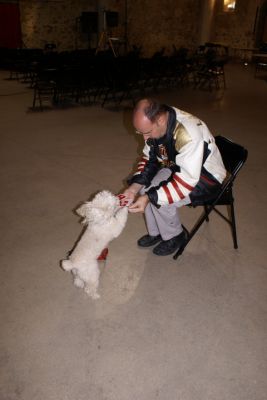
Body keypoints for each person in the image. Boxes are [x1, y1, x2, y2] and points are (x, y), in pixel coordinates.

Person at [122, 98, 227, 256]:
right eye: (140, 132)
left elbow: (186, 181)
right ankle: (157, 232)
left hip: (205, 177)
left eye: (147, 132)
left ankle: (175, 236)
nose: (145, 138)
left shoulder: (189, 135)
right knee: (145, 188)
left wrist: (150, 198)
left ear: (160, 120)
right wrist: (133, 188)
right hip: (177, 165)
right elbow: (149, 159)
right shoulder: (159, 121)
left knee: (158, 199)